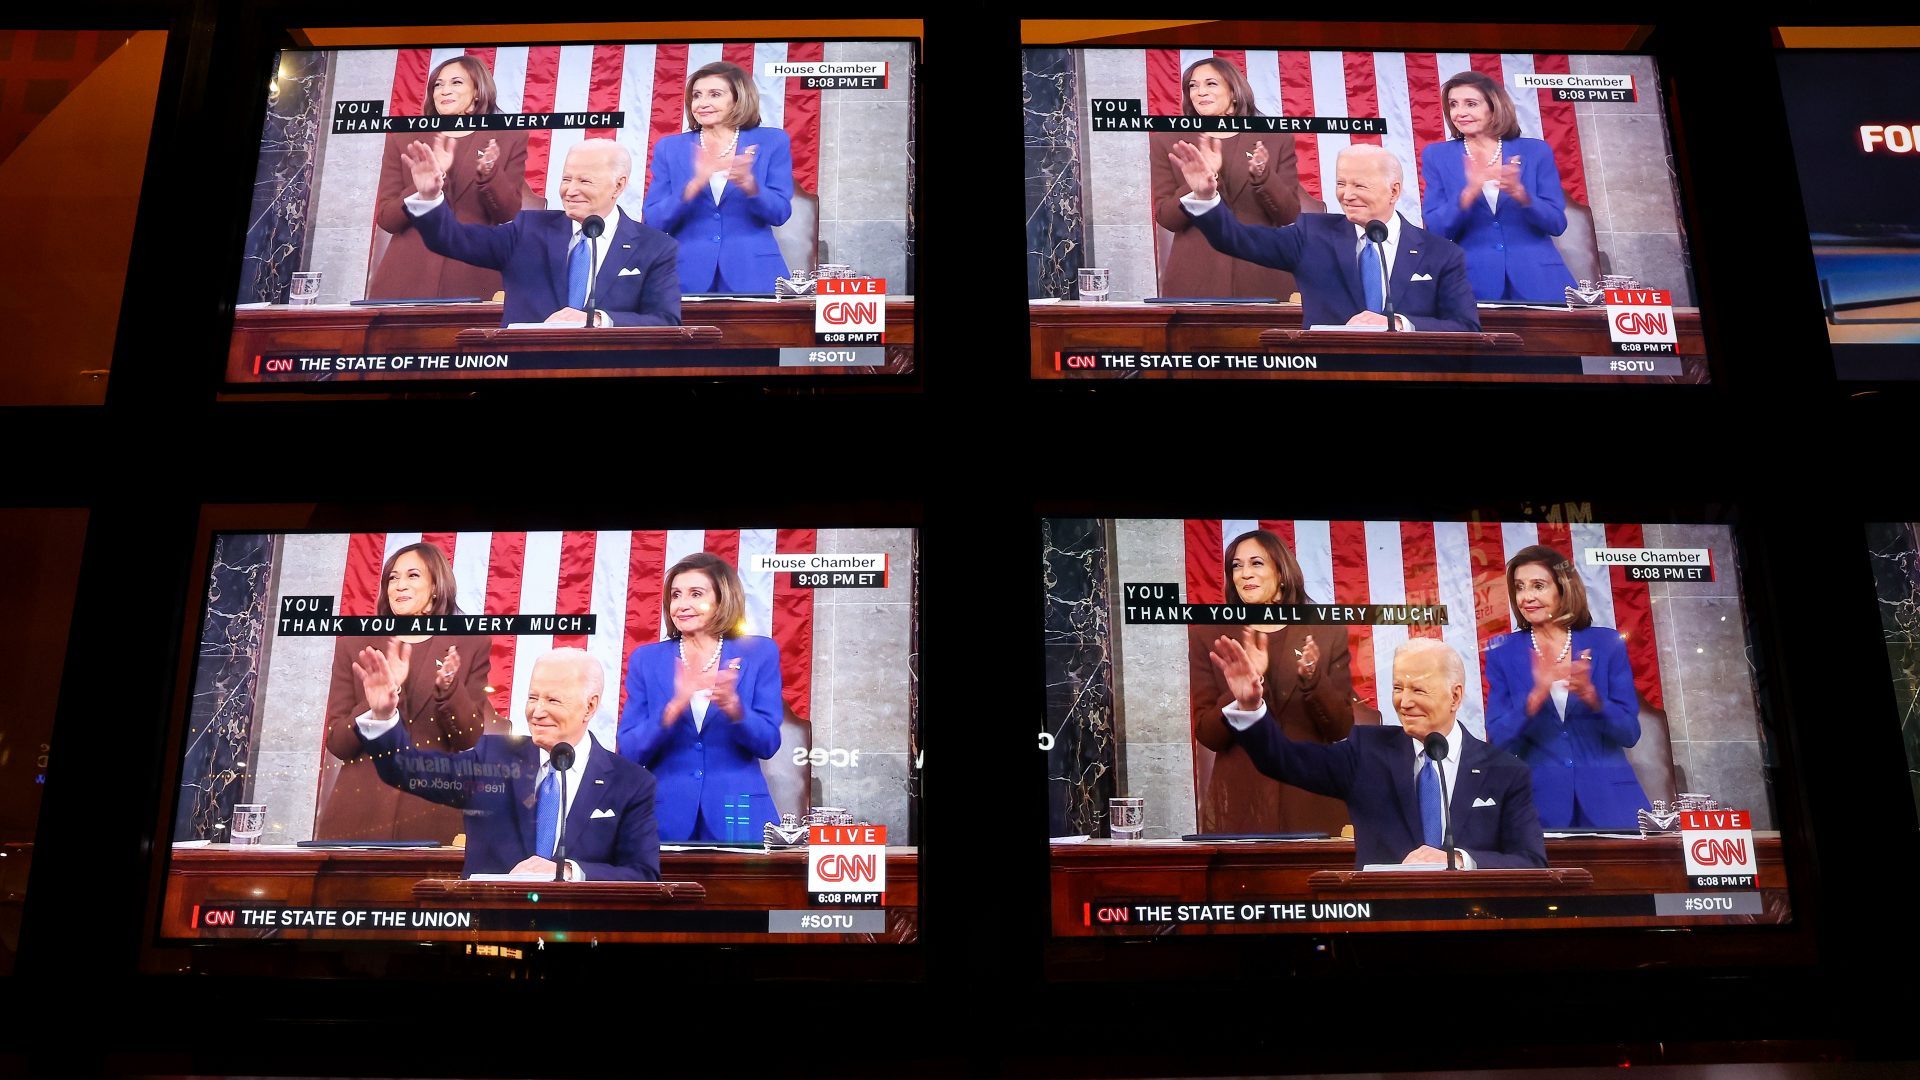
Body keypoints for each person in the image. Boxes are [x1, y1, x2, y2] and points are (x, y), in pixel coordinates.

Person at [1211, 636, 1546, 869]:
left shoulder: (1505, 772)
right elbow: (1283, 760)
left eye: (1418, 689)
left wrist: (1458, 859)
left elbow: (1531, 861)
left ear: (1455, 696)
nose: (1404, 701)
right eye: (1398, 688)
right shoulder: (1365, 753)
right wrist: (1251, 706)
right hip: (1383, 925)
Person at [353, 645, 661, 881]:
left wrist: (568, 871)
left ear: (589, 706)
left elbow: (643, 874)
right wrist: (382, 717)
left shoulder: (630, 784)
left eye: (552, 700)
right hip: (488, 935)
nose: (537, 711)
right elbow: (407, 769)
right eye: (532, 698)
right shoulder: (492, 758)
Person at [1169, 141, 1482, 331]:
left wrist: (1397, 323)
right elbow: (1236, 239)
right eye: (1341, 183)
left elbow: (1466, 326)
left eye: (1360, 185)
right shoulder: (1311, 235)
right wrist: (1206, 196)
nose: (1347, 195)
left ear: (1394, 191)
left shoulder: (1441, 254)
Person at [315, 541, 503, 843]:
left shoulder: (470, 645)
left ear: (436, 588)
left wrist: (448, 689)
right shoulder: (354, 643)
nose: (399, 585)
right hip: (358, 818)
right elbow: (338, 743)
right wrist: (379, 698)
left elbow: (468, 738)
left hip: (431, 816)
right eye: (393, 577)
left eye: (413, 576)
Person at [1188, 529, 1373, 834]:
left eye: (1256, 563)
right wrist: (1242, 690)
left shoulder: (1326, 633)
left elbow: (1340, 728)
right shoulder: (1209, 635)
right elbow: (1209, 735)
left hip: (1313, 801)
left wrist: (1313, 679)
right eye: (1236, 565)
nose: (1244, 573)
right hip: (1241, 808)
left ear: (1282, 573)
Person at [399, 136, 681, 326]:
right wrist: (428, 197)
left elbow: (666, 320)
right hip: (525, 376)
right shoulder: (527, 231)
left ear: (618, 186)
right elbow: (452, 240)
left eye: (585, 181)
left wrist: (597, 319)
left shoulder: (654, 247)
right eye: (566, 179)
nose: (570, 190)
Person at [617, 552, 783, 843]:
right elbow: (629, 751)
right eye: (676, 595)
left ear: (722, 599)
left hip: (739, 816)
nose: (682, 605)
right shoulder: (647, 659)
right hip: (664, 819)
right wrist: (672, 709)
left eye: (696, 594)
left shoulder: (758, 653)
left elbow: (768, 743)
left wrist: (735, 709)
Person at [1484, 545, 1651, 829]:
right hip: (1538, 806)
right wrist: (1534, 698)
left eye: (1538, 585)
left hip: (1610, 802)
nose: (1527, 597)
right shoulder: (1503, 652)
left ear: (1564, 588)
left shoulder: (1606, 645)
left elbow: (1630, 733)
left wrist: (1592, 697)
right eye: (1520, 587)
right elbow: (1498, 740)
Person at [367, 54, 533, 301]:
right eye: (438, 84)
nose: (444, 90)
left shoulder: (508, 138)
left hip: (473, 274)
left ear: (477, 91)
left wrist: (490, 174)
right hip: (406, 277)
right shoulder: (403, 138)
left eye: (456, 83)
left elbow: (506, 214)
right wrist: (426, 184)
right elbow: (388, 219)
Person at [1418, 70, 1578, 302]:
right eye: (1453, 104)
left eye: (1471, 104)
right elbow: (1436, 229)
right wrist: (1469, 193)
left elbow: (1556, 223)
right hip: (1472, 282)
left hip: (1539, 279)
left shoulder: (1535, 151)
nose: (1460, 112)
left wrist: (1521, 194)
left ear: (1494, 106)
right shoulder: (1438, 156)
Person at [1148, 57, 1301, 300]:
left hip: (1262, 275)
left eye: (1210, 84)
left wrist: (1263, 176)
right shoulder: (1166, 140)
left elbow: (1288, 215)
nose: (1200, 92)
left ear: (1234, 93)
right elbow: (1167, 218)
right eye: (1193, 86)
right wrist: (1199, 182)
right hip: (1196, 281)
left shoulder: (1275, 139)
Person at [642, 61, 795, 295]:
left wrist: (750, 185)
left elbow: (780, 213)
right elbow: (654, 220)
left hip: (754, 273)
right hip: (685, 276)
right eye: (696, 95)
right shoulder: (670, 148)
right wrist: (693, 186)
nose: (702, 103)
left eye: (715, 94)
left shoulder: (772, 141)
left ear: (738, 98)